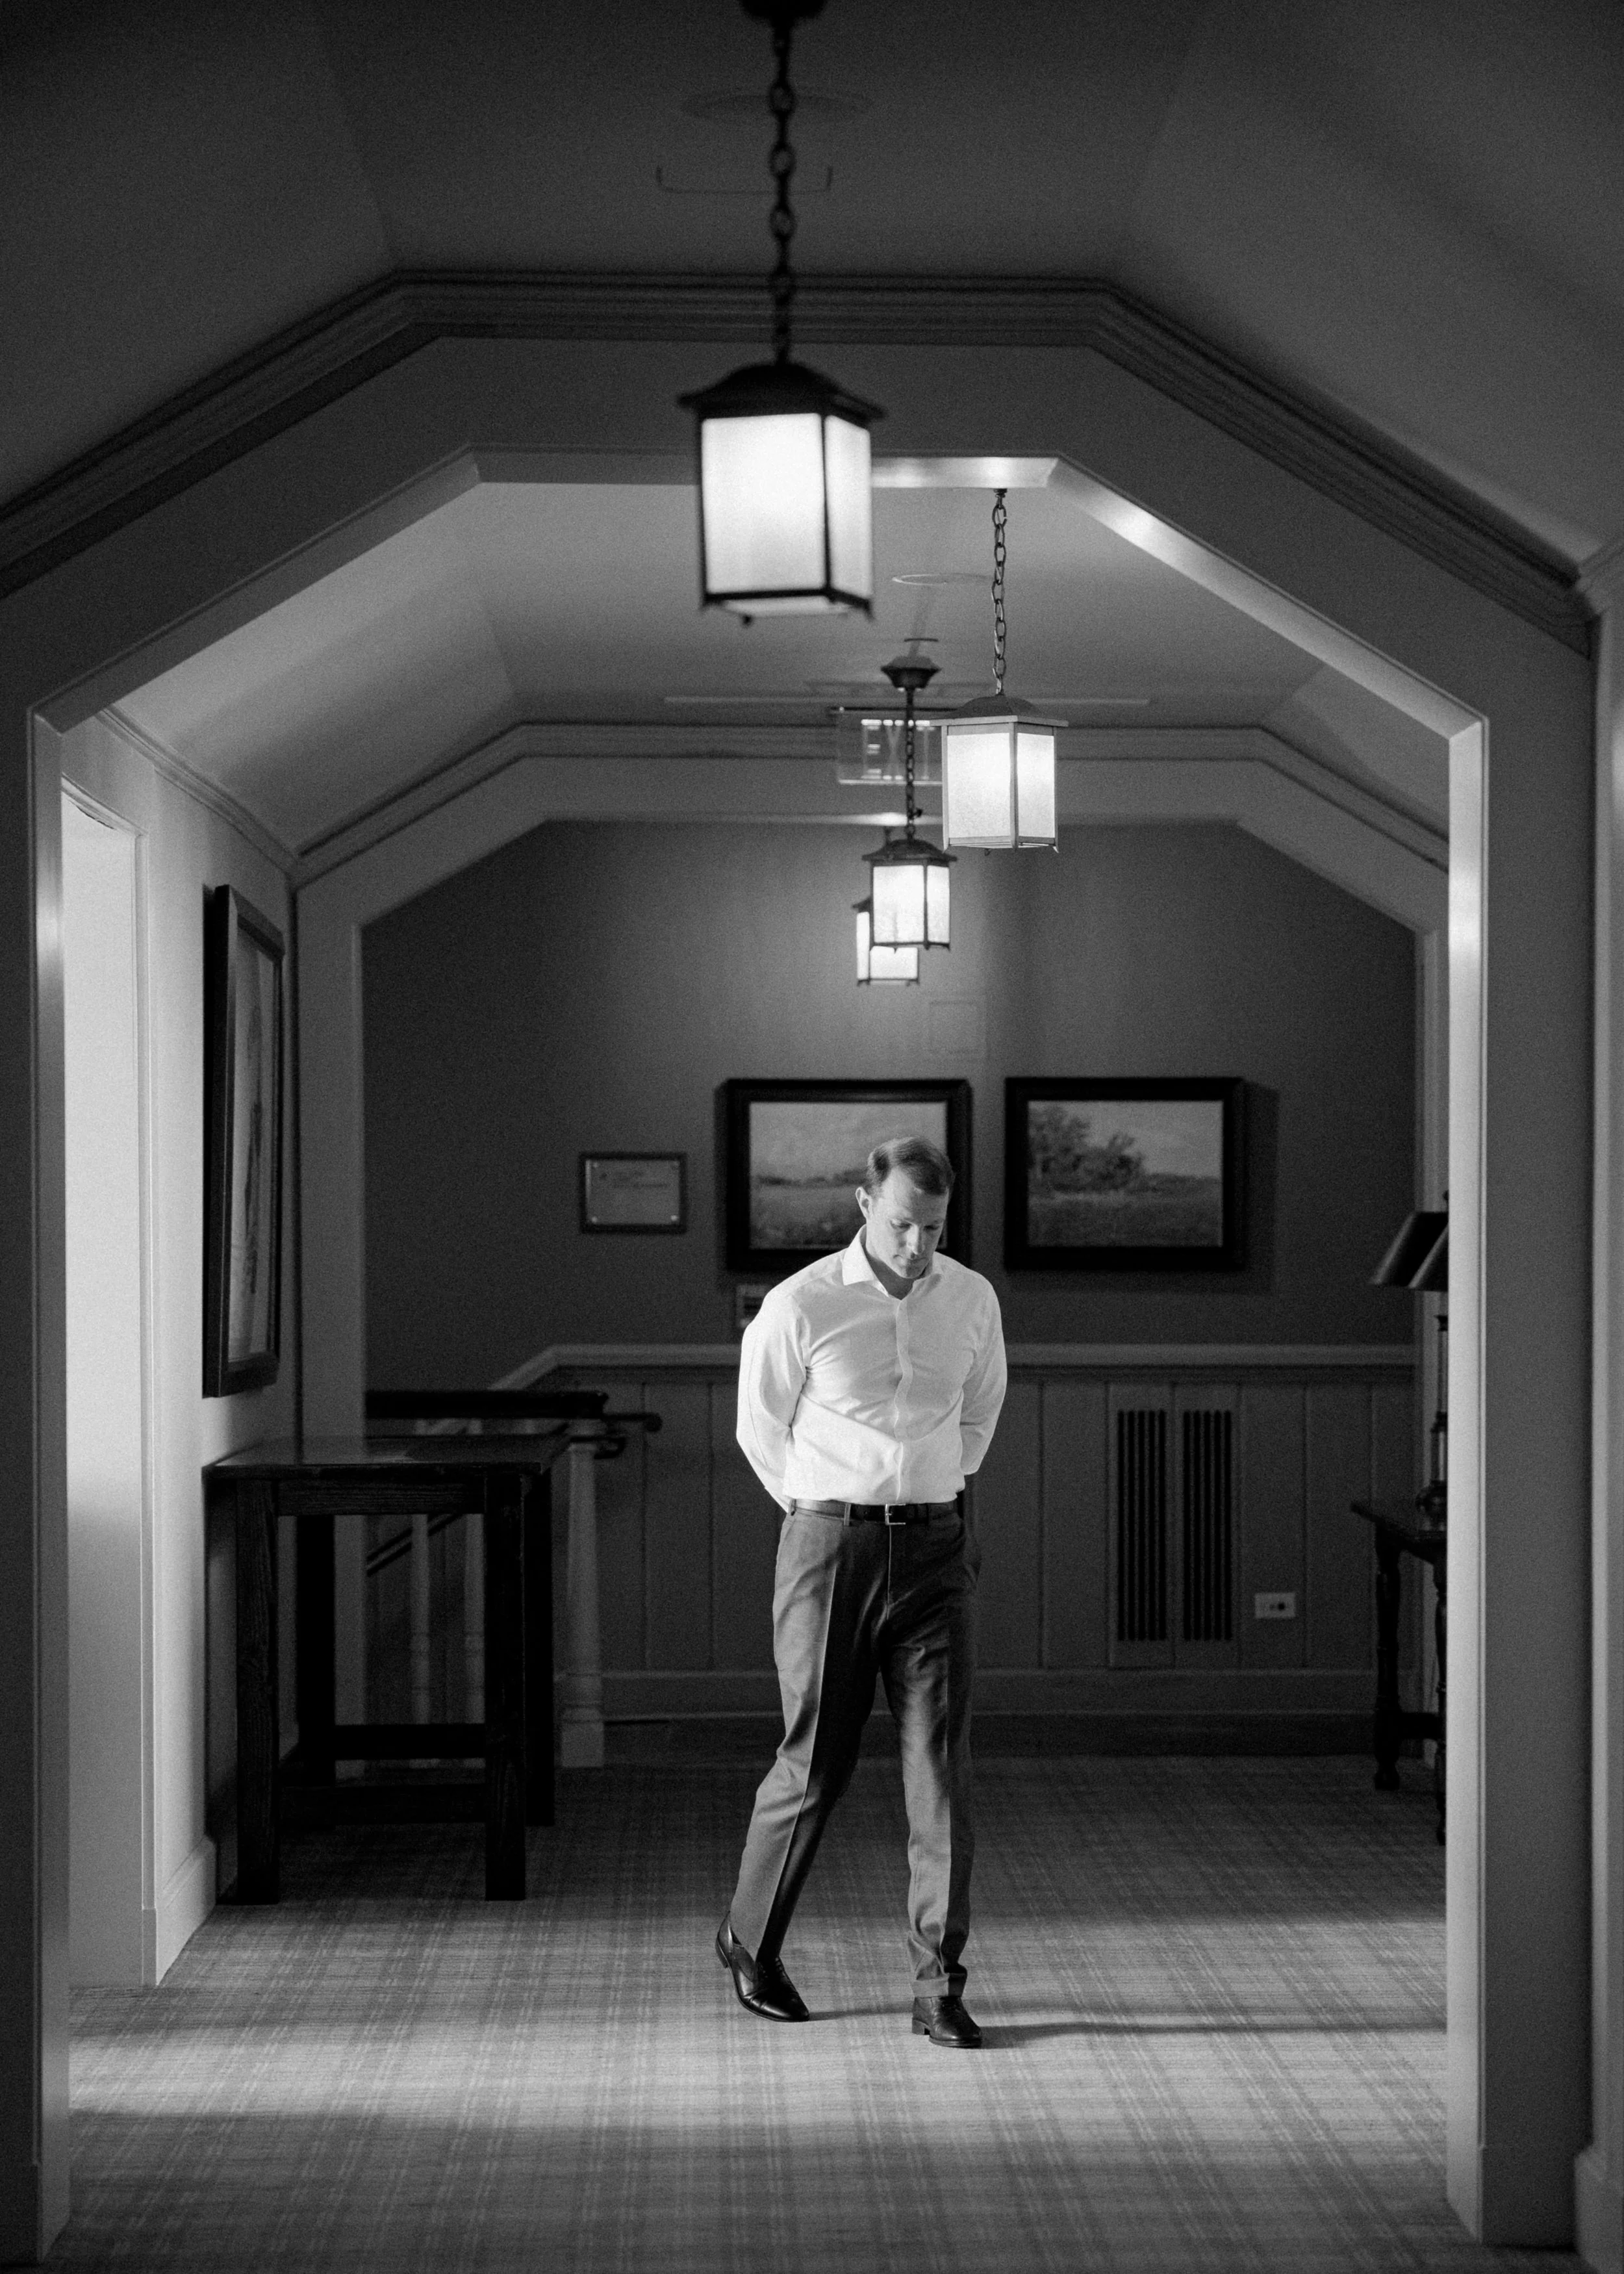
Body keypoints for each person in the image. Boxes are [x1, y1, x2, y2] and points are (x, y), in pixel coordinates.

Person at [716, 1133, 1007, 2049]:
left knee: (941, 1773)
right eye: (902, 1225)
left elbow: (979, 1414)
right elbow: (762, 1433)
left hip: (935, 1552)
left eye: (933, 1229)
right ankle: (749, 1942)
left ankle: (938, 1984)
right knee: (815, 1763)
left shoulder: (971, 1299)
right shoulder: (800, 1305)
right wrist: (833, 1511)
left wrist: (921, 1497)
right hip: (827, 1550)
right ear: (863, 1203)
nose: (918, 1247)